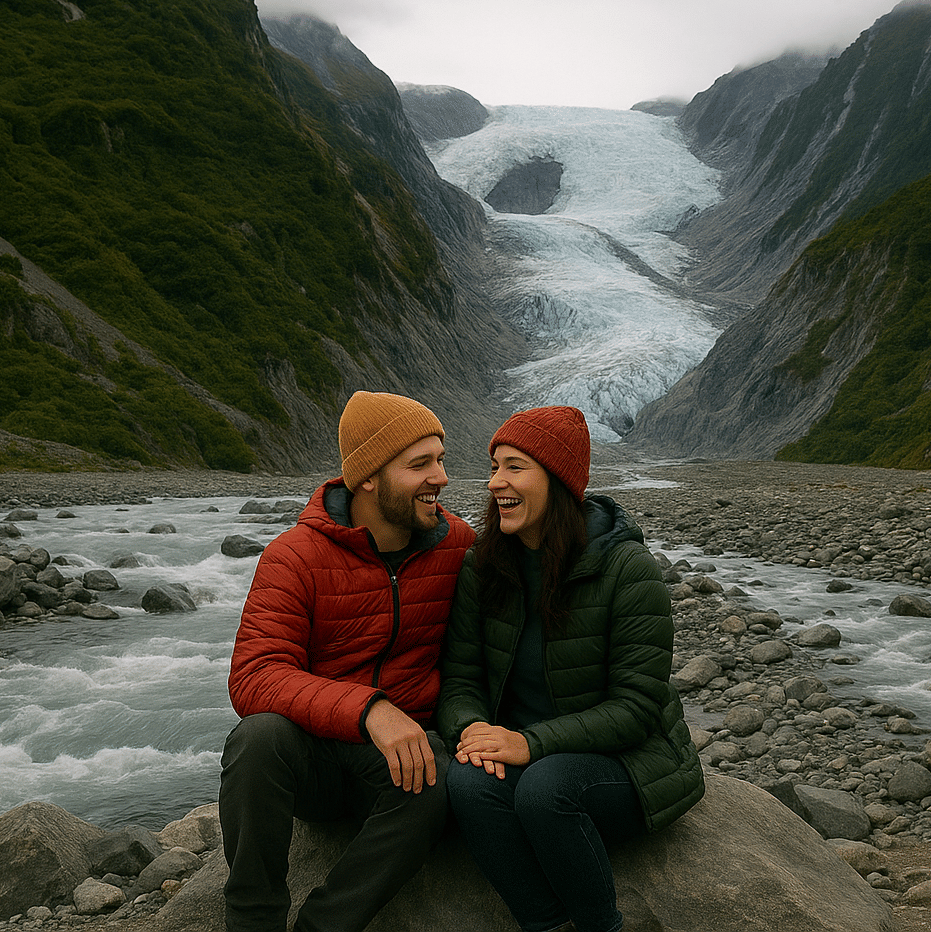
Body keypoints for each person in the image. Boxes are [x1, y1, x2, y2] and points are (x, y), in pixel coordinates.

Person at [436, 405, 705, 932]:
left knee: (545, 788)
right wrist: (470, 729)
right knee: (467, 782)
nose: (496, 483)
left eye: (515, 467)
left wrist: (529, 744)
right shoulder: (484, 564)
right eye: (494, 468)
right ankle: (548, 925)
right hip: (524, 753)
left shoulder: (627, 569)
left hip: (624, 761)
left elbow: (636, 709)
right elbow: (461, 677)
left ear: (558, 478)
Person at [220, 390, 475, 932]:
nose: (442, 477)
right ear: (368, 479)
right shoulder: (296, 555)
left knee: (433, 777)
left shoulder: (457, 546)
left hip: (397, 767)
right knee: (257, 739)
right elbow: (254, 674)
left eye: (441, 459)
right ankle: (252, 921)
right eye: (421, 464)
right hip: (317, 756)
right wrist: (370, 710)